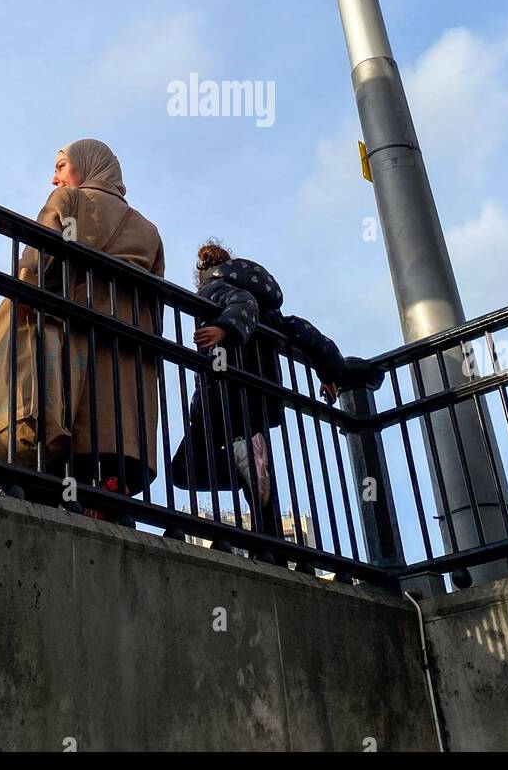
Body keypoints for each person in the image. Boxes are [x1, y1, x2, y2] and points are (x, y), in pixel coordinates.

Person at [17, 139, 165, 516]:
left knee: (51, 489)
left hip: (76, 366)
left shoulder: (69, 203)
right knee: (114, 501)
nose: (54, 178)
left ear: (86, 167)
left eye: (61, 166)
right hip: (130, 387)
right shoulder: (149, 232)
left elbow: (35, 263)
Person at [170, 240, 344, 538]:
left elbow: (242, 303)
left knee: (184, 470)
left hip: (219, 393)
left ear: (203, 272)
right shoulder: (270, 308)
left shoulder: (212, 288)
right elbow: (303, 330)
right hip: (259, 398)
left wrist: (225, 327)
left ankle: (242, 465)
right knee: (260, 485)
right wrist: (330, 372)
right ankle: (272, 543)